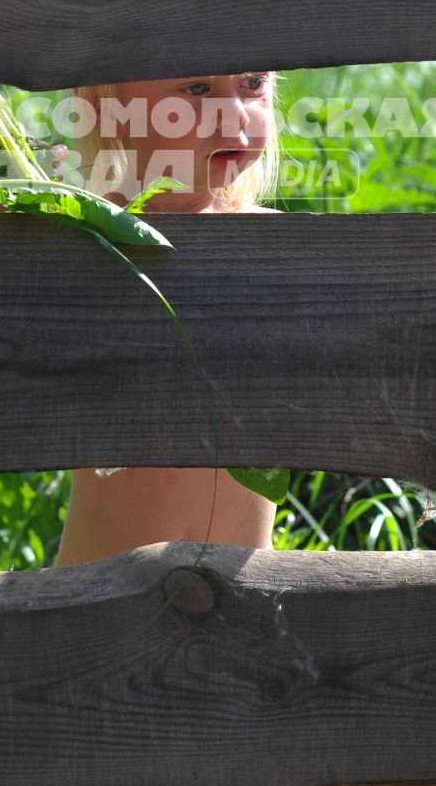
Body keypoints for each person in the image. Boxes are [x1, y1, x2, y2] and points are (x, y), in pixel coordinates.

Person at [53, 71, 281, 566]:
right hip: (93, 603)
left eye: (253, 84)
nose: (237, 116)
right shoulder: (77, 244)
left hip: (247, 606)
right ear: (100, 104)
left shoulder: (289, 253)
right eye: (197, 90)